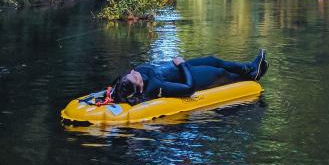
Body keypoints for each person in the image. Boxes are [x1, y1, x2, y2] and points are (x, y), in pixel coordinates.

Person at [111, 50, 268, 105]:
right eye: (135, 78)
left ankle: (249, 68)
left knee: (214, 60)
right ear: (139, 88)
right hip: (187, 74)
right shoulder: (156, 85)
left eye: (131, 74)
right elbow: (189, 89)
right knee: (220, 73)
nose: (134, 72)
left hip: (180, 67)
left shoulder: (127, 80)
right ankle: (250, 77)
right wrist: (182, 65)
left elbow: (116, 87)